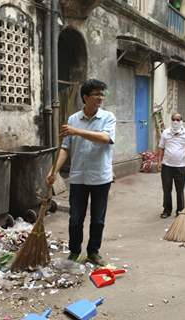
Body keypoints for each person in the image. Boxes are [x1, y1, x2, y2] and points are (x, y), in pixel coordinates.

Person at [46, 79, 116, 266]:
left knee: (98, 219)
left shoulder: (107, 117)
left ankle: (93, 252)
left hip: (101, 177)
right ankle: (75, 251)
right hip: (78, 177)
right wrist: (55, 170)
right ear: (85, 97)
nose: (101, 98)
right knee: (75, 218)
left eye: (102, 94)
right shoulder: (73, 119)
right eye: (96, 94)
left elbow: (105, 138)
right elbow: (65, 148)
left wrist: (77, 131)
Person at [157, 113, 185, 218]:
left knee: (180, 189)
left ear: (181, 121)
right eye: (173, 119)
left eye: (178, 119)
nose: (175, 121)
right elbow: (161, 148)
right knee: (166, 189)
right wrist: (159, 162)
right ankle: (167, 210)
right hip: (167, 166)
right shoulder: (166, 132)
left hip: (181, 166)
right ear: (171, 120)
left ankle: (180, 211)